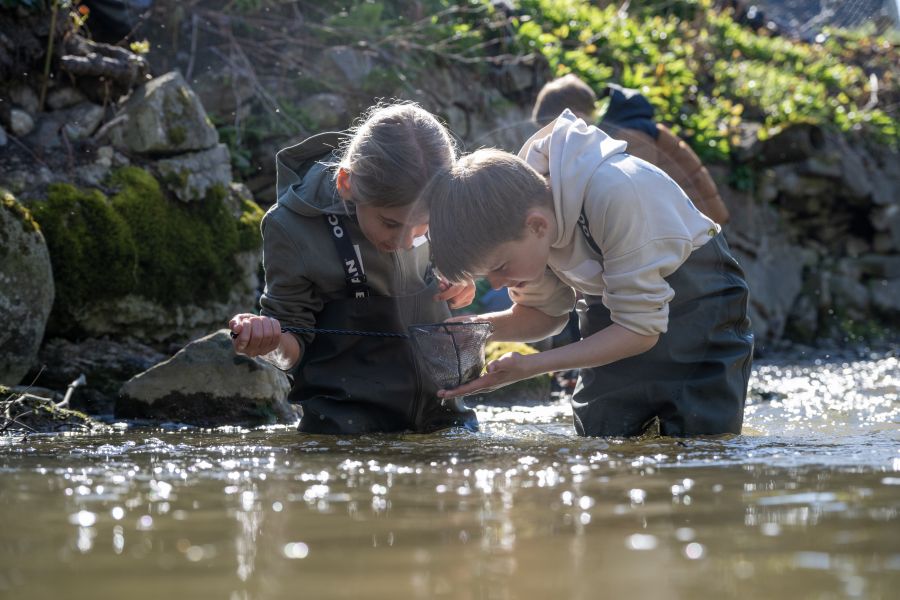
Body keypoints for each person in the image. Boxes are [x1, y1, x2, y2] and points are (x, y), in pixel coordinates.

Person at [425, 110, 753, 437]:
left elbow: (640, 331)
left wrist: (532, 366)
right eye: (488, 277)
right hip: (615, 311)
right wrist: (479, 331)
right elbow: (545, 314)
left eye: (500, 268)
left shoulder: (617, 191)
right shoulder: (526, 220)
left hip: (699, 306)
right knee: (601, 435)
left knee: (700, 439)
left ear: (537, 226)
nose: (498, 284)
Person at [229, 102, 478, 435]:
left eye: (424, 225)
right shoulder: (290, 227)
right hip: (345, 433)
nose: (406, 241)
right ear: (346, 183)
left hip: (447, 419)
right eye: (391, 223)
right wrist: (267, 341)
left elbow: (454, 267)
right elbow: (291, 350)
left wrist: (461, 279)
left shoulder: (440, 201)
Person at [532, 74, 730, 225]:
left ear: (575, 117)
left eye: (553, 129)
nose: (552, 139)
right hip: (688, 221)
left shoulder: (628, 136)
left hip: (696, 224)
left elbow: (637, 191)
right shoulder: (618, 130)